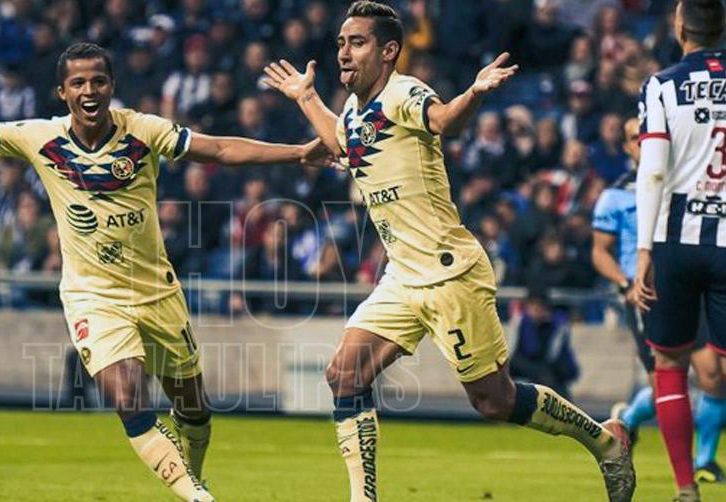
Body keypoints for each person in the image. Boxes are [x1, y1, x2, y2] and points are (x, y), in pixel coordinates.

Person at [0, 42, 327, 502]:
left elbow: (218, 149)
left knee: (194, 409)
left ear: (112, 86)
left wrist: (299, 153)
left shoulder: (143, 131)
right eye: (79, 83)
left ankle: (193, 476)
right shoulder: (39, 138)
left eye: (98, 81)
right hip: (93, 295)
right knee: (127, 396)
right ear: (62, 92)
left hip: (156, 292)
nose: (89, 91)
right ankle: (198, 498)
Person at [261, 2, 634, 501]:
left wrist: (473, 94)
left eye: (357, 43)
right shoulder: (354, 110)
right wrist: (306, 97)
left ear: (389, 51)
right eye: (341, 44)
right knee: (344, 374)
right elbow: (342, 143)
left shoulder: (403, 92)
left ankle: (605, 441)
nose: (344, 53)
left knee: (494, 401)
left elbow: (442, 121)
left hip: (449, 273)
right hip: (402, 275)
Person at [593, 116, 726, 484]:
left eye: (645, 135)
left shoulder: (683, 181)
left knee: (713, 373)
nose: (642, 142)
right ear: (626, 147)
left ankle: (704, 461)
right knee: (665, 383)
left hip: (684, 283)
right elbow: (599, 251)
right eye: (634, 138)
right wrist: (625, 284)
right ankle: (627, 420)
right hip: (644, 294)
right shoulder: (615, 195)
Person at [631, 1, 726, 500]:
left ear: (680, 26)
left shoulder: (662, 85)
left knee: (670, 364)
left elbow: (652, 171)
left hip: (673, 240)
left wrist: (643, 250)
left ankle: (686, 488)